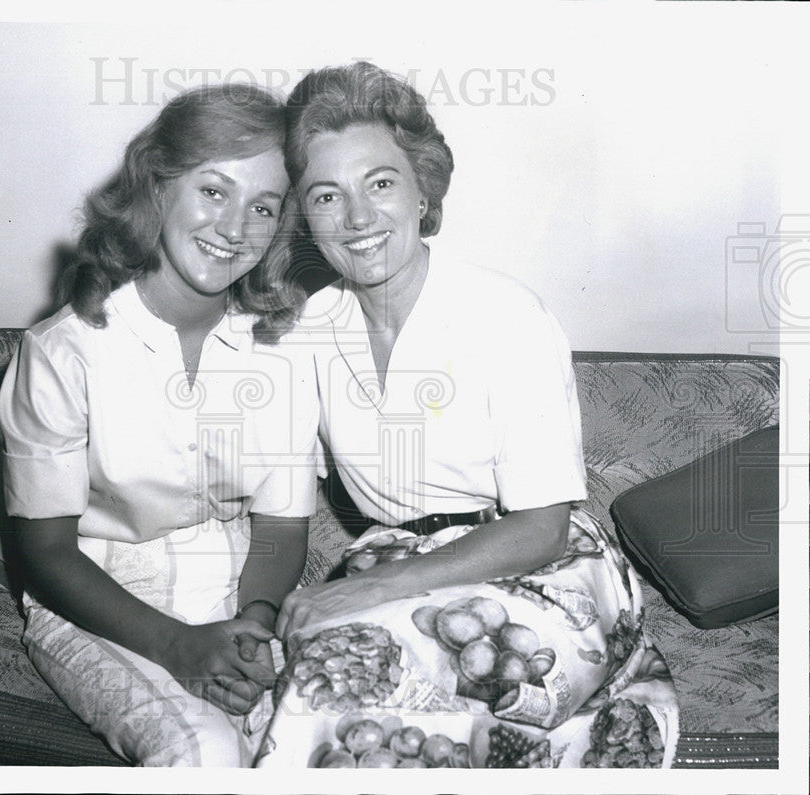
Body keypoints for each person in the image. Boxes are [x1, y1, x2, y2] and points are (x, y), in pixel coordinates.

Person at [256, 62, 677, 769]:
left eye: (381, 183)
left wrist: (369, 588)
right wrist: (259, 617)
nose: (358, 219)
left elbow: (541, 526)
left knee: (468, 683)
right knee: (324, 695)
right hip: (395, 559)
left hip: (541, 562)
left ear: (423, 190)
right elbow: (282, 516)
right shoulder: (304, 332)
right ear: (304, 216)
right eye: (328, 196)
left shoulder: (506, 315)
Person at [0, 83, 320, 767]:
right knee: (202, 754)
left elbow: (283, 526)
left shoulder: (284, 350)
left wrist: (256, 621)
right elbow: (46, 550)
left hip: (240, 590)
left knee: (321, 744)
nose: (235, 227)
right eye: (213, 191)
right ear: (159, 186)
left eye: (263, 207)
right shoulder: (63, 350)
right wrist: (176, 645)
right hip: (98, 600)